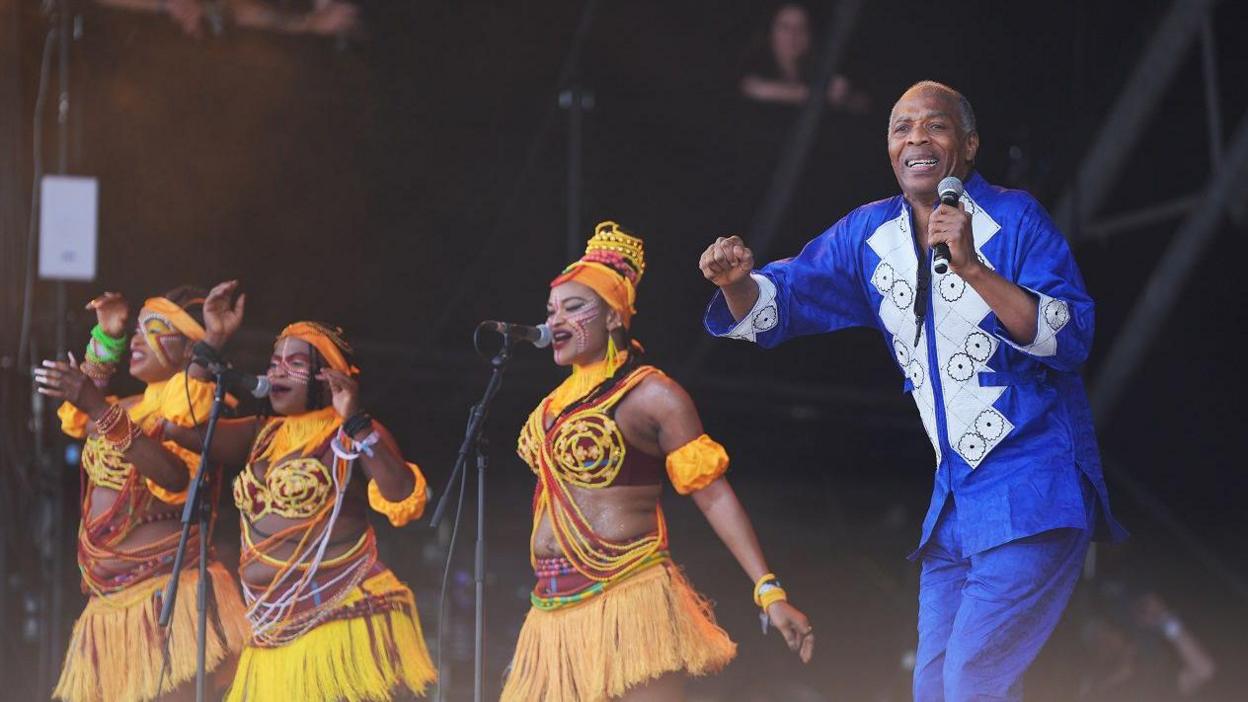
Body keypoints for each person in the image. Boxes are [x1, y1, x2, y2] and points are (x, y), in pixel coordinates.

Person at [700, 81, 1129, 701]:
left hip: (1035, 486)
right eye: (902, 129)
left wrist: (974, 267)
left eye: (936, 126)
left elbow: (1072, 337)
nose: (916, 140)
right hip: (954, 503)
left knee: (970, 684)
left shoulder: (1014, 218)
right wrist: (738, 283)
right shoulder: (869, 236)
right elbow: (783, 301)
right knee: (932, 689)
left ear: (970, 145)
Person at [501, 222, 814, 702]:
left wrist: (769, 591)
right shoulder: (549, 409)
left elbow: (712, 495)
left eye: (575, 306)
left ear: (613, 317)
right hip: (551, 607)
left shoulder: (653, 394)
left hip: (630, 595)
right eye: (551, 309)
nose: (556, 319)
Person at [161, 281, 436, 701]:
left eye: (293, 363)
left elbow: (402, 498)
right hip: (270, 633)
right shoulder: (262, 434)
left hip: (337, 621)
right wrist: (214, 339)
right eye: (274, 362)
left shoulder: (351, 433)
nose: (276, 371)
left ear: (330, 377)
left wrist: (356, 421)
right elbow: (182, 423)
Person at [35, 285, 248, 702]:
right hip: (107, 604)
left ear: (190, 351)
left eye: (155, 330)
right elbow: (80, 415)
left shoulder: (189, 408)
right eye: (135, 331)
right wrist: (107, 339)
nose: (138, 338)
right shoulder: (127, 404)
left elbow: (172, 477)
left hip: (169, 596)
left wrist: (98, 406)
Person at [738, 3, 868, 112]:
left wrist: (844, 97)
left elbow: (862, 103)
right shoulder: (751, 66)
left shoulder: (822, 69)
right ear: (771, 31)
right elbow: (756, 89)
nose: (793, 35)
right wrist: (820, 94)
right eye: (785, 27)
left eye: (801, 27)